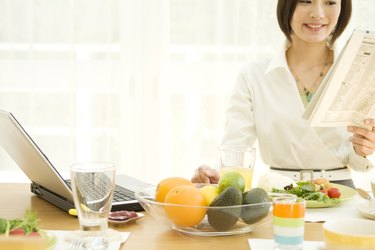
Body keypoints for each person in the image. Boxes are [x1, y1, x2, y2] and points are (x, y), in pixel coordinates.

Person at [191, 0, 375, 188]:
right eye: (305, 1)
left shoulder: (361, 69)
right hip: (279, 193)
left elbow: (359, 161)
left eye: (330, 2)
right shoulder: (254, 75)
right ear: (287, 5)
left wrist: (363, 149)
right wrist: (213, 177)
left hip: (340, 193)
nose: (318, 13)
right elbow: (236, 148)